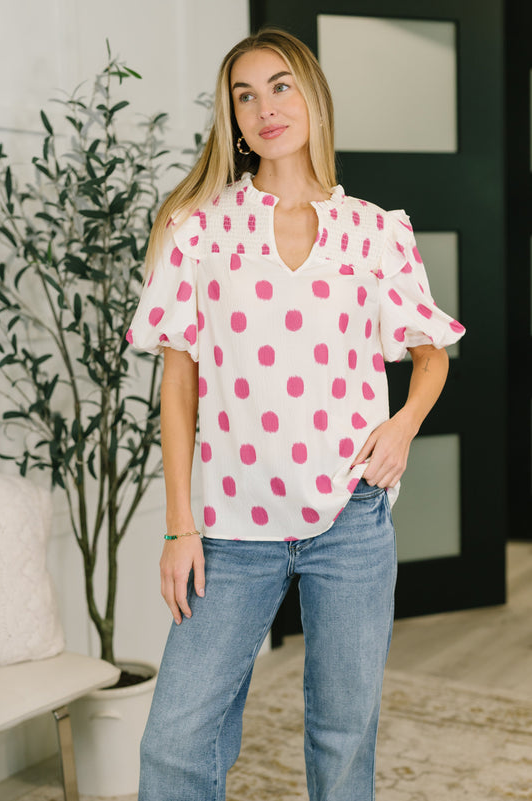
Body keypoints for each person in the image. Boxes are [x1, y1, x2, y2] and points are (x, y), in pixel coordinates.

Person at [127, 27, 465, 801]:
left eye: (279, 85)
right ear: (233, 119)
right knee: (176, 739)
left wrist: (402, 425)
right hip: (229, 530)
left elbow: (431, 352)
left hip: (350, 519)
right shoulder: (199, 229)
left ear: (312, 96)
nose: (265, 108)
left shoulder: (375, 230)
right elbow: (178, 383)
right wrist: (179, 526)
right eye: (244, 96)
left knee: (343, 735)